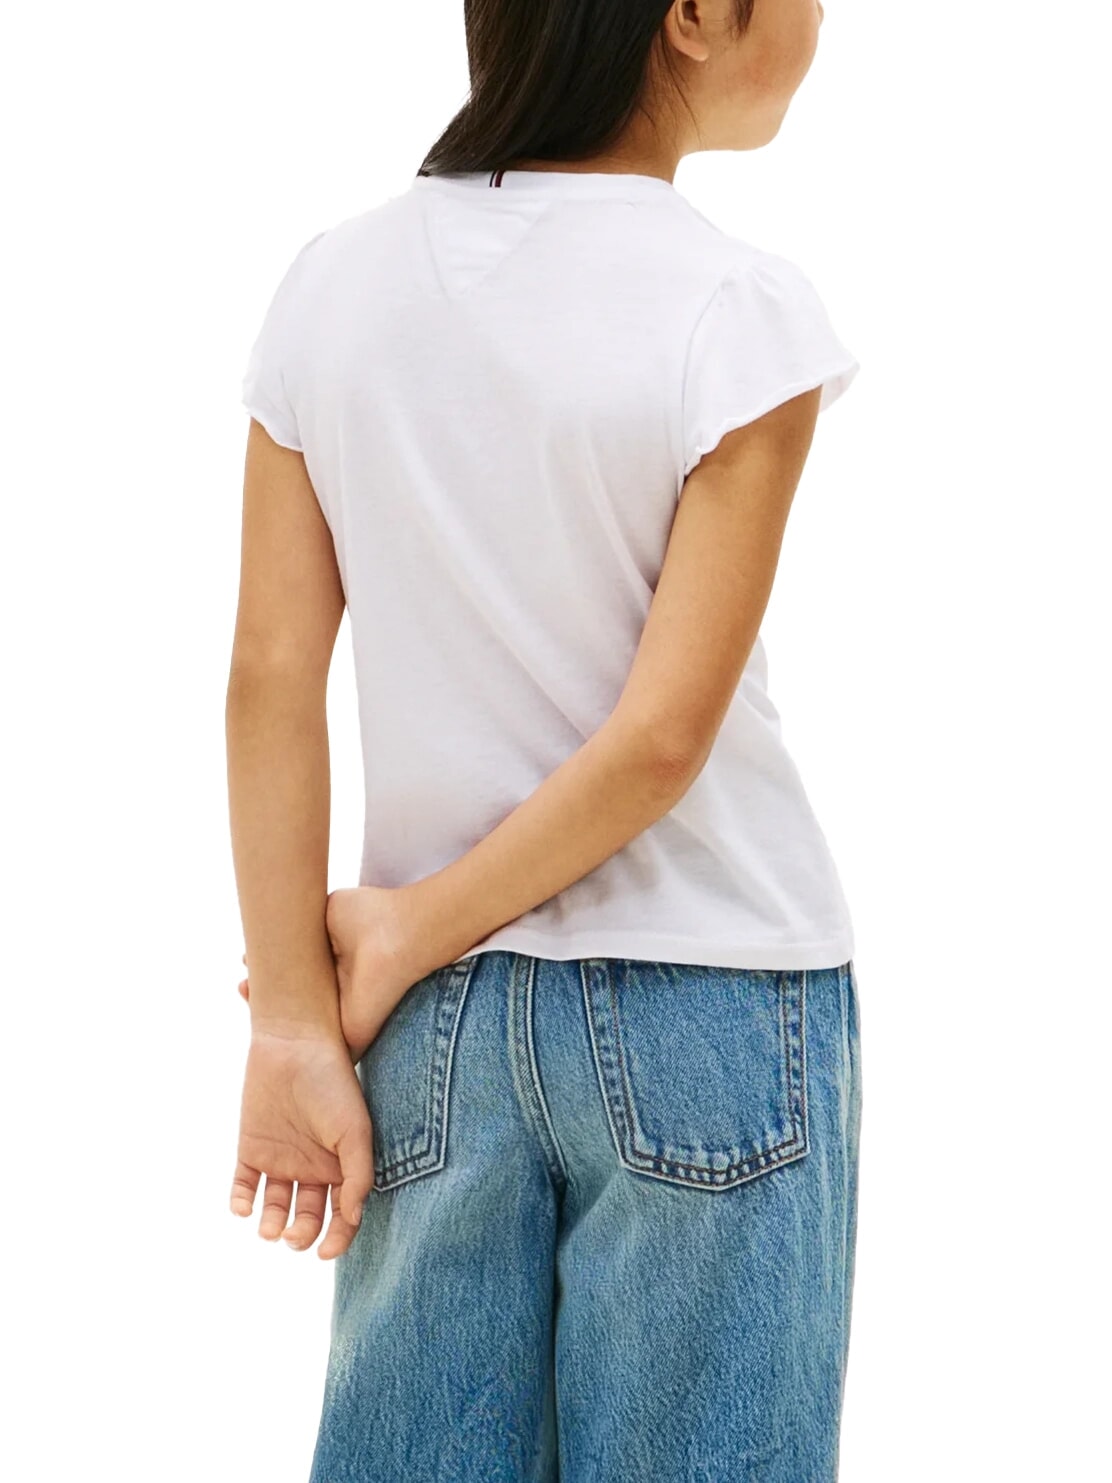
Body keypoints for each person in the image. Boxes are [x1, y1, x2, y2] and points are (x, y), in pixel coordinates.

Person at [226, 0, 864, 1476]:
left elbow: (270, 672)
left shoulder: (334, 287)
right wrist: (398, 934)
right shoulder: (738, 310)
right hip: (709, 995)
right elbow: (661, 740)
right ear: (694, 14)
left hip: (426, 1023)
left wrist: (295, 1020)